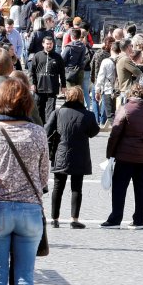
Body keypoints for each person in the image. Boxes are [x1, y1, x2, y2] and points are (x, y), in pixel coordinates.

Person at [104, 82, 143, 229]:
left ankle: (115, 219)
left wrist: (110, 153)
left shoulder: (126, 108)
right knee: (141, 188)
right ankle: (139, 220)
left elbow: (115, 133)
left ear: (130, 94)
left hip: (125, 155)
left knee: (119, 188)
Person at [44, 86, 99, 229]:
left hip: (60, 153)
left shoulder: (58, 112)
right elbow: (94, 132)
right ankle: (74, 219)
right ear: (81, 98)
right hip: (80, 155)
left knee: (58, 187)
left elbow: (47, 131)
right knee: (77, 187)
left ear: (67, 97)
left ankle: (55, 219)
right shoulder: (88, 115)